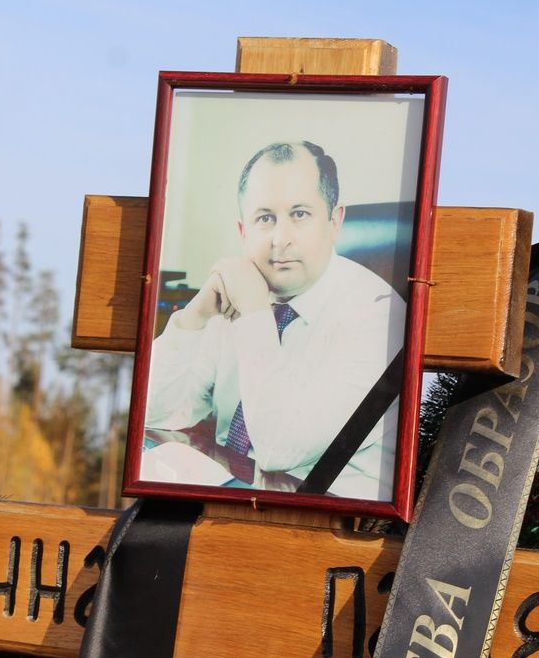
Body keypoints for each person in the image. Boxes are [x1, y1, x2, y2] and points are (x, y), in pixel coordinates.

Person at [145, 141, 406, 500]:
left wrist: (254, 311)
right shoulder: (243, 289)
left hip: (334, 518)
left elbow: (278, 450)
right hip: (231, 498)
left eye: (299, 214)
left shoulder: (380, 317)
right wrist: (195, 316)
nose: (280, 240)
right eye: (265, 218)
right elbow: (155, 414)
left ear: (334, 222)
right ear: (243, 232)